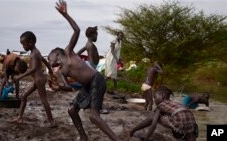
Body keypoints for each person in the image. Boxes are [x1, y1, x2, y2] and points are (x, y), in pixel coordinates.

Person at [48, 1, 119, 140]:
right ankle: (83, 136)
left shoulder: (68, 52)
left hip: (97, 81)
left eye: (49, 57)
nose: (49, 61)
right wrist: (58, 87)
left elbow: (77, 30)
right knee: (72, 110)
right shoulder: (62, 71)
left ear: (56, 53)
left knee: (93, 116)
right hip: (87, 86)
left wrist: (65, 14)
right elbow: (68, 87)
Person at [11, 31, 56, 127]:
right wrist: (51, 72)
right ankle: (20, 118)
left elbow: (34, 69)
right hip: (38, 79)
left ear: (30, 42)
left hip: (39, 80)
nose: (23, 47)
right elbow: (45, 61)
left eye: (23, 44)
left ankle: (52, 122)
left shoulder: (35, 53)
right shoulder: (36, 52)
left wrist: (20, 76)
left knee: (44, 100)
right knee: (23, 97)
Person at [128, 86, 198, 141]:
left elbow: (153, 123)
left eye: (155, 97)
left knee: (154, 117)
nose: (154, 100)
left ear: (162, 96)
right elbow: (182, 114)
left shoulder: (161, 105)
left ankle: (134, 131)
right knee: (189, 132)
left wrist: (145, 137)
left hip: (180, 121)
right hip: (192, 120)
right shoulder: (174, 103)